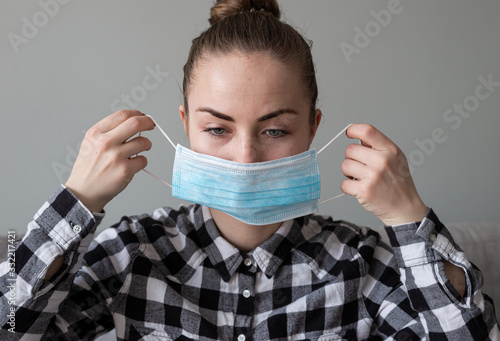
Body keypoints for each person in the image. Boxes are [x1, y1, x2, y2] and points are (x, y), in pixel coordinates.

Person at [1, 0, 498, 340]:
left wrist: (409, 216)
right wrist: (76, 201)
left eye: (275, 131)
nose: (245, 157)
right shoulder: (135, 252)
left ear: (311, 129)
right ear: (186, 127)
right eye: (218, 130)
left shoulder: (362, 264)